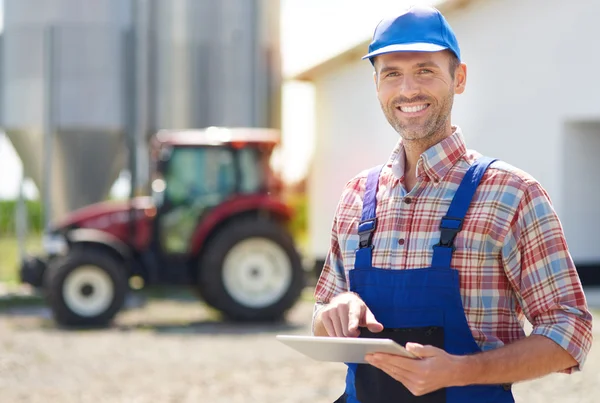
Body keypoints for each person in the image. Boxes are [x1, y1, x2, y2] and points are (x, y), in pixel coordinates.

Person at [311, 5, 593, 403]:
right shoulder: (357, 195)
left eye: (425, 70)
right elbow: (321, 317)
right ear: (376, 85)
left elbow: (570, 332)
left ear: (458, 78)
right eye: (392, 73)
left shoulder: (511, 194)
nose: (408, 89)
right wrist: (333, 310)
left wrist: (463, 371)